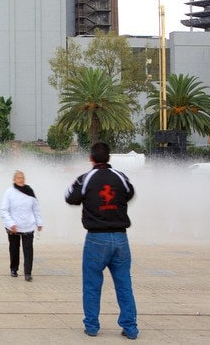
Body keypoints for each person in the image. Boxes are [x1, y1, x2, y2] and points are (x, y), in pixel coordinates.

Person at [65, 142, 138, 340]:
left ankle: (92, 326)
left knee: (92, 284)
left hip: (96, 238)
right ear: (109, 158)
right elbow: (130, 193)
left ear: (91, 158)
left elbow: (70, 198)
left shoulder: (86, 178)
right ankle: (130, 328)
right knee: (124, 284)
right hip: (121, 238)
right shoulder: (120, 177)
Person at [0, 170, 43, 281]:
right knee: (14, 249)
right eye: (18, 178)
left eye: (22, 178)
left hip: (28, 225)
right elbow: (4, 210)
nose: (21, 180)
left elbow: (36, 208)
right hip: (14, 226)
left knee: (28, 250)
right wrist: (11, 223)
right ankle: (14, 269)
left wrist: (39, 222)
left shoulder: (29, 191)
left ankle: (28, 273)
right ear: (14, 180)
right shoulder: (9, 192)